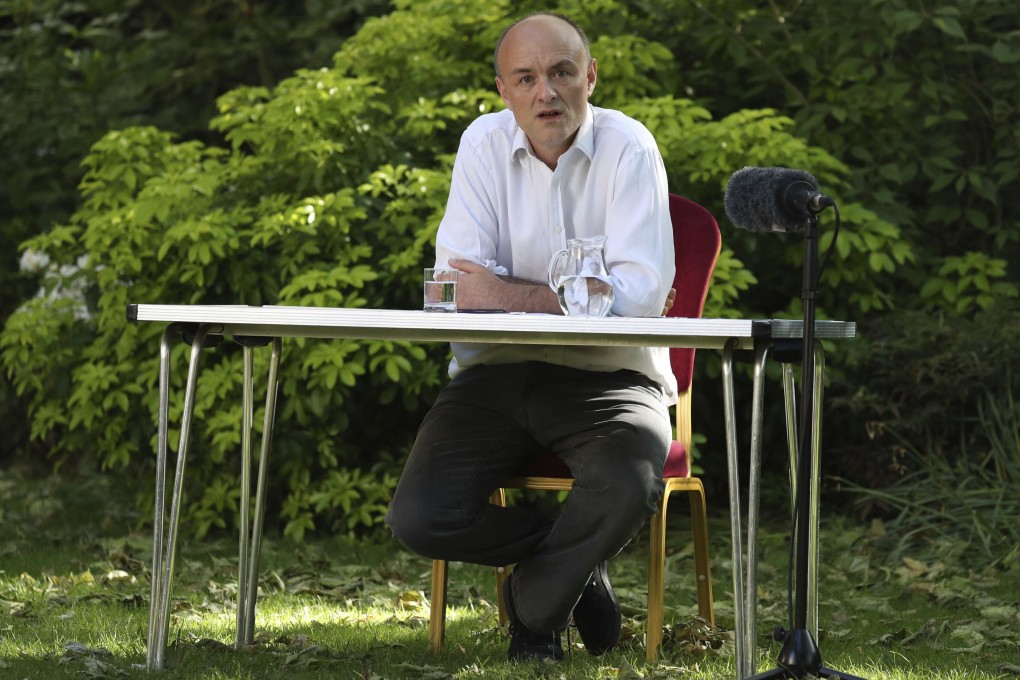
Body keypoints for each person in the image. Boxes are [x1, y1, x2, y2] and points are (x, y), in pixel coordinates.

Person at [386, 11, 676, 662]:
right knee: (419, 519)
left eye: (561, 72)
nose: (546, 92)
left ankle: (536, 617)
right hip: (495, 376)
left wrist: (507, 294)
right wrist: (571, 296)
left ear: (590, 77)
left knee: (627, 484)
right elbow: (448, 290)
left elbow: (639, 300)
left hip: (611, 377)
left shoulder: (630, 148)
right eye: (526, 77)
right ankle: (578, 564)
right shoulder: (481, 145)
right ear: (503, 89)